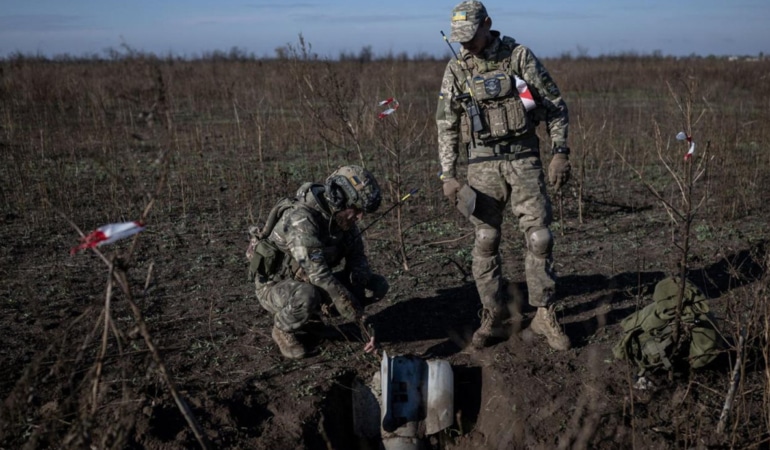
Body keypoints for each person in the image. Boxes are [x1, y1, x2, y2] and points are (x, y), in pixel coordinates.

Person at [436, 0, 571, 350]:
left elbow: (555, 106)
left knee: (539, 237)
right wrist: (447, 175)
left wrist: (560, 152)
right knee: (485, 238)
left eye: (470, 36)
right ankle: (493, 315)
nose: (465, 44)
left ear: (487, 24)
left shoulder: (519, 56)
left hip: (524, 159)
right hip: (481, 165)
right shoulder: (456, 69)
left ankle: (543, 314)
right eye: (459, 38)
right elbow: (446, 124)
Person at [246, 165, 389, 359]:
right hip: (276, 286)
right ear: (339, 199)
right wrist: (360, 319)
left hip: (310, 279)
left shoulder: (343, 220)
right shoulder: (301, 220)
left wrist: (358, 280)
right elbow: (319, 276)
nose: (360, 217)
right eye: (356, 210)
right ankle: (282, 328)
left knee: (375, 285)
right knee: (307, 295)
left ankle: (312, 321)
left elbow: (358, 258)